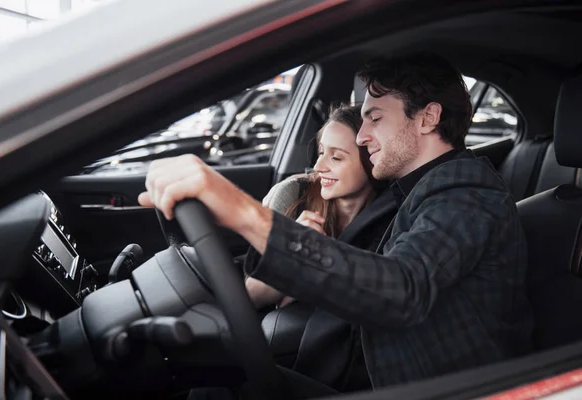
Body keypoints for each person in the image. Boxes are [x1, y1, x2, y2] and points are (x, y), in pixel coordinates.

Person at [139, 52, 533, 397]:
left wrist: (245, 214)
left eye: (374, 118)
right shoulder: (416, 191)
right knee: (220, 378)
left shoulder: (465, 191)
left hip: (434, 389)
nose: (361, 137)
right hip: (385, 378)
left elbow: (402, 290)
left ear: (428, 117)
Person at [246, 104, 387, 310]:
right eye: (321, 152)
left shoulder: (390, 213)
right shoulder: (293, 194)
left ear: (372, 160)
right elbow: (250, 296)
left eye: (336, 157)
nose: (319, 166)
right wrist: (293, 255)